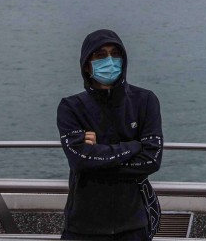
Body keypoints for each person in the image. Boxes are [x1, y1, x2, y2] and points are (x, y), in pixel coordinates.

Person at [57, 29, 163, 240]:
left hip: (133, 223)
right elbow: (79, 161)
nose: (110, 60)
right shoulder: (71, 107)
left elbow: (152, 160)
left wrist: (96, 155)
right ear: (87, 65)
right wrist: (133, 146)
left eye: (115, 53)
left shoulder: (145, 101)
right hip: (83, 225)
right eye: (100, 55)